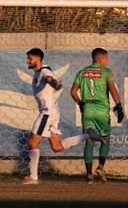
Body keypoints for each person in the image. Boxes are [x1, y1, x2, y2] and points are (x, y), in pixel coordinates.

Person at [23, 48, 102, 185]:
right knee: (57, 146)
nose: (28, 61)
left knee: (32, 142)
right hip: (53, 112)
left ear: (38, 59)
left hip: (47, 113)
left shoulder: (44, 71)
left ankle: (33, 176)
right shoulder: (39, 71)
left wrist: (56, 84)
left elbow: (49, 79)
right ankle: (88, 135)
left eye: (30, 58)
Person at [70, 48, 124, 184]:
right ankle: (100, 167)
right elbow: (112, 89)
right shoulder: (106, 72)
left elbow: (73, 92)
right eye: (107, 58)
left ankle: (89, 175)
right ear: (101, 59)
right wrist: (119, 106)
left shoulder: (81, 72)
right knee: (105, 138)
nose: (108, 61)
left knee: (89, 140)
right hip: (101, 111)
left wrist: (81, 104)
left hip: (87, 110)